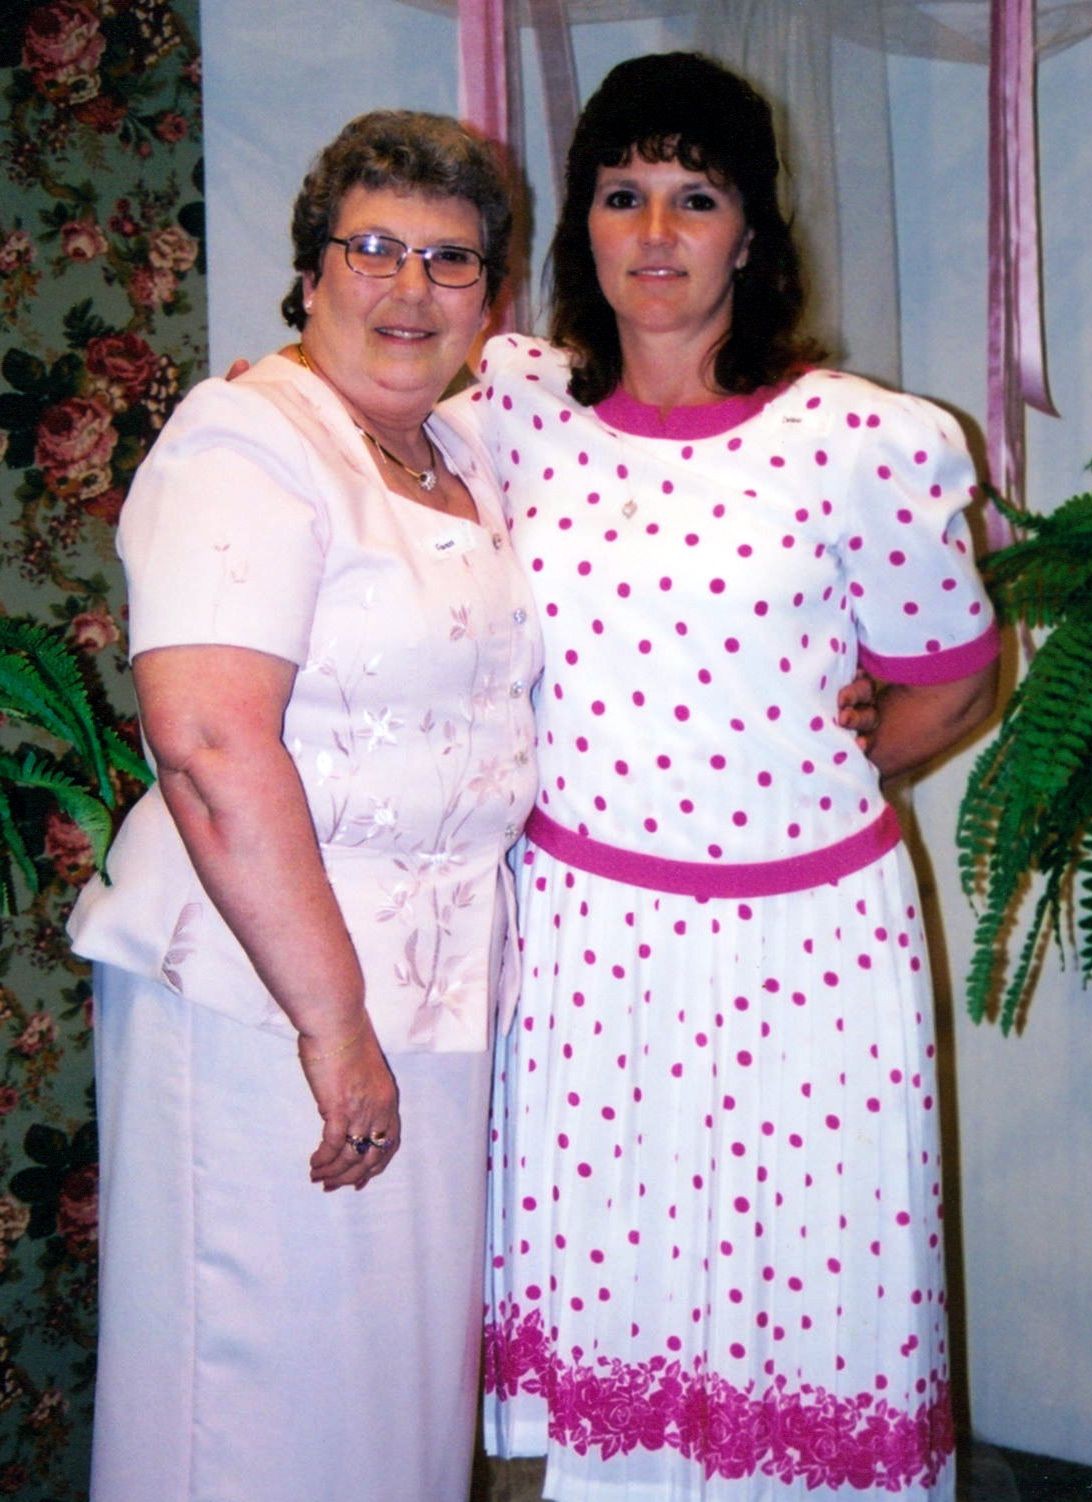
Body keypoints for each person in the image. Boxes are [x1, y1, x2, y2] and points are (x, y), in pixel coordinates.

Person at [441, 52, 999, 1501]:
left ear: (752, 230)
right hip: (589, 943)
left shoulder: (862, 441)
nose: (655, 232)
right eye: (620, 194)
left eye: (696, 198)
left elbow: (956, 674)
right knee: (621, 1314)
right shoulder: (519, 412)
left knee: (804, 1300)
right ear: (581, 222)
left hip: (806, 947)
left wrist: (819, 766)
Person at [67, 111, 542, 1502]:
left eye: (451, 260)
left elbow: (617, 385)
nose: (411, 289)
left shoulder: (465, 446)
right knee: (257, 1402)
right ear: (311, 268)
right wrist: (333, 1026)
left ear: (492, 293)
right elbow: (209, 743)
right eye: (373, 248)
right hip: (265, 998)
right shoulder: (246, 440)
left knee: (387, 1402)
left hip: (434, 996)